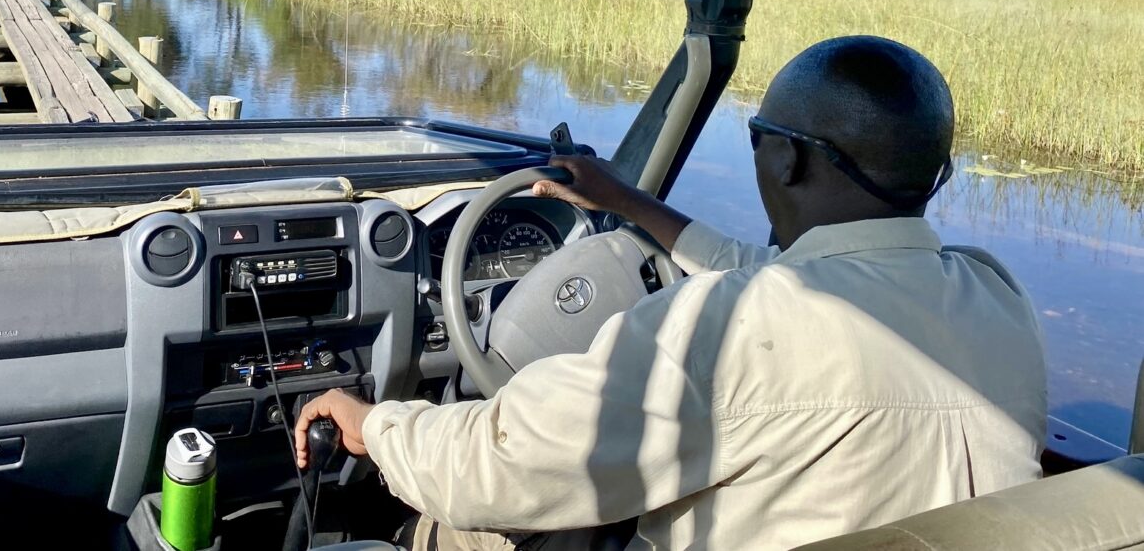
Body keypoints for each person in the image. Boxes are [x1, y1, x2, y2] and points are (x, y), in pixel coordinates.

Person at [295, 36, 1047, 550]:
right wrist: (632, 204)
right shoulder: (997, 297)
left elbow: (503, 459)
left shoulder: (724, 329)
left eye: (758, 136)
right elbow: (787, 273)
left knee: (464, 525)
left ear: (784, 159)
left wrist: (378, 426)